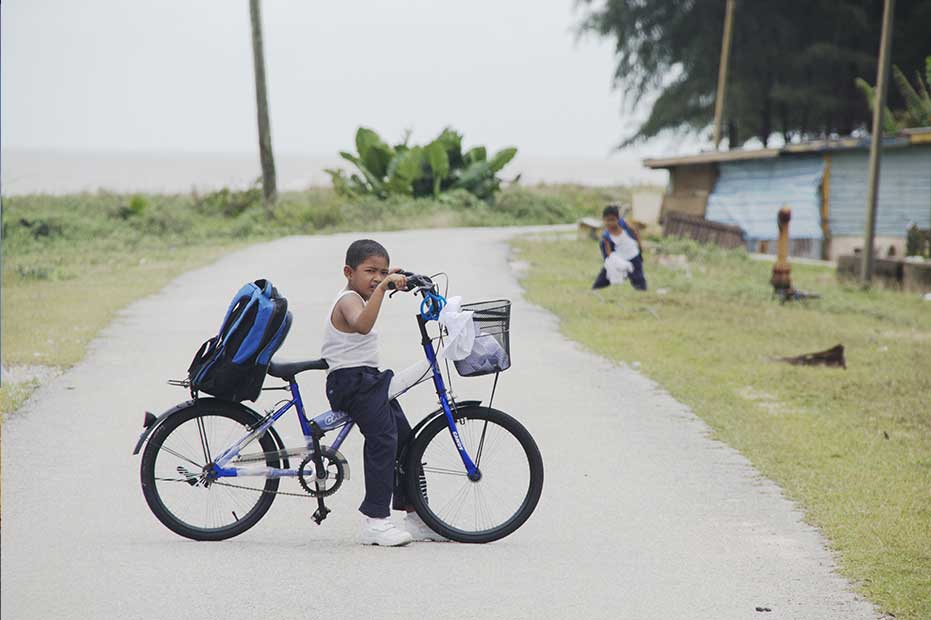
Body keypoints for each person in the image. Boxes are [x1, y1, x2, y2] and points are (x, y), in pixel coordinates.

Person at [321, 239, 444, 546]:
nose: (376, 277)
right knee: (382, 439)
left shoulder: (365, 292)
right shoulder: (348, 299)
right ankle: (376, 522)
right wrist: (383, 287)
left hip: (368, 380)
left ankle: (417, 517)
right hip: (350, 383)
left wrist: (397, 282)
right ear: (349, 272)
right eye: (370, 271)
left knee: (404, 438)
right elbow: (362, 325)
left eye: (383, 271)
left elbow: (376, 293)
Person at [592, 204, 647, 290]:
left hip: (633, 256)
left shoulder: (624, 224)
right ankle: (594, 290)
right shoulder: (606, 236)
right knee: (603, 279)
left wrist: (640, 249)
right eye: (607, 220)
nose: (610, 223)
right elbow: (609, 253)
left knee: (638, 280)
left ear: (618, 219)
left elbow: (636, 234)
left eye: (613, 220)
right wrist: (616, 264)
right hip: (620, 258)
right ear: (603, 220)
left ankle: (642, 294)